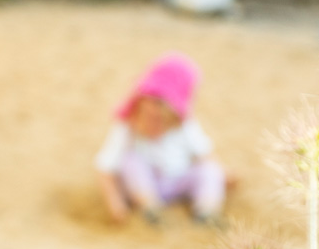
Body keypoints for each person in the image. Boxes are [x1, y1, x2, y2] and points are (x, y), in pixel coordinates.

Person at [96, 53, 226, 225]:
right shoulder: (127, 126)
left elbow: (205, 155)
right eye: (149, 116)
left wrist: (222, 175)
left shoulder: (185, 126)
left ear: (175, 117)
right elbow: (106, 170)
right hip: (144, 186)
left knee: (209, 170)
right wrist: (116, 205)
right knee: (130, 161)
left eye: (161, 122)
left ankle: (206, 211)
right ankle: (150, 209)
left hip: (177, 181)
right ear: (138, 104)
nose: (154, 123)